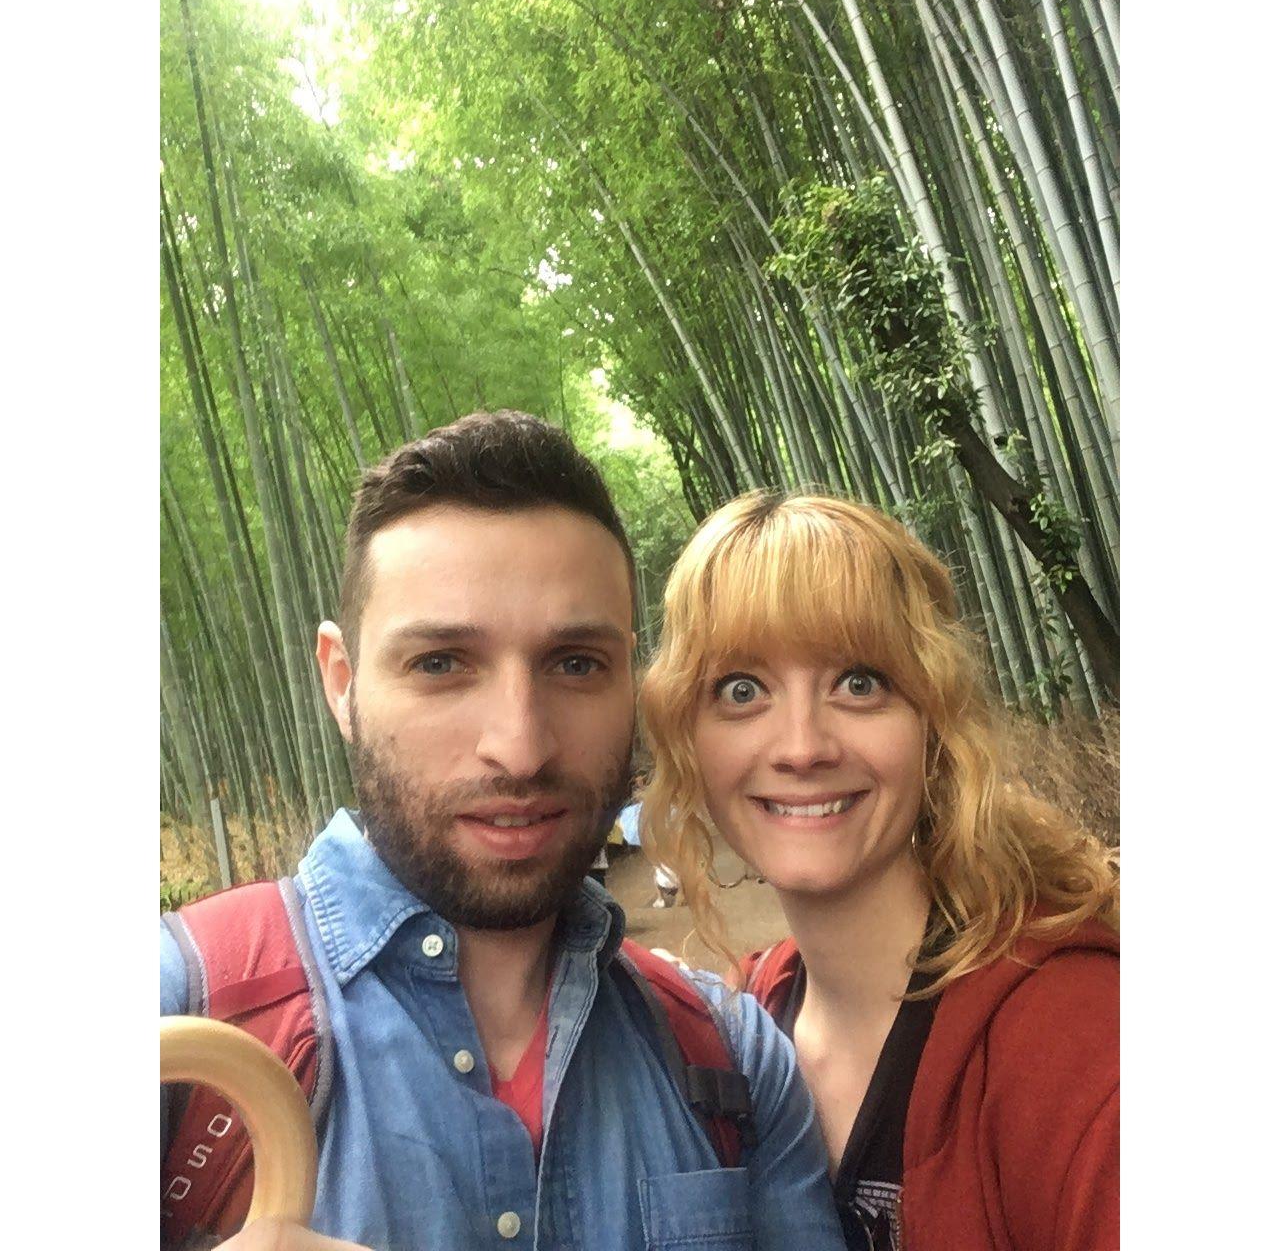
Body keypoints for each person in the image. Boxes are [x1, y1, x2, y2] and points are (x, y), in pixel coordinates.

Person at [161, 415, 845, 1251]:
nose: (520, 747)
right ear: (342, 684)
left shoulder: (736, 1062)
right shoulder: (179, 1021)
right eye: (442, 663)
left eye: (575, 663)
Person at [638, 491, 1119, 1251]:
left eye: (859, 683)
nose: (801, 746)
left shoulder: (1077, 1043)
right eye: (742, 691)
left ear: (934, 722)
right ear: (688, 742)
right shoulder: (748, 1026)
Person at [616, 784, 680, 908]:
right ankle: (666, 897)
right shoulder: (665, 814)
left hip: (658, 851)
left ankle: (660, 898)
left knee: (657, 868)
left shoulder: (640, 817)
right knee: (667, 866)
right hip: (667, 849)